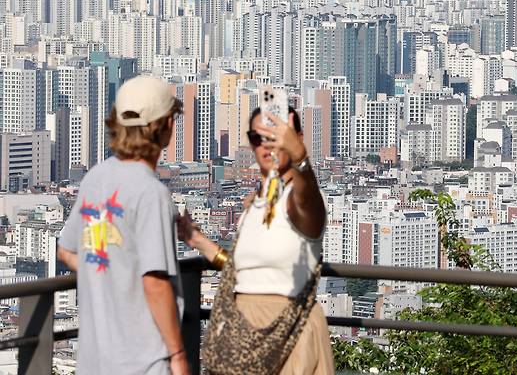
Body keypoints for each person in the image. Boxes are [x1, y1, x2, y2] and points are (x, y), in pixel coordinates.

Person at [177, 107, 334, 374]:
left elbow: (307, 197)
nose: (266, 145)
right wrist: (200, 242)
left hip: (290, 330)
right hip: (243, 332)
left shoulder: (298, 204)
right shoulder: (254, 205)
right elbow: (243, 272)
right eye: (257, 137)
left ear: (296, 138)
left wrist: (301, 158)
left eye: (276, 137)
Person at [57, 75, 190, 375]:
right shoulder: (150, 193)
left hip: (94, 361)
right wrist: (178, 353)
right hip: (142, 362)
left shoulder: (95, 178)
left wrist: (112, 272)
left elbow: (66, 252)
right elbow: (155, 283)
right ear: (166, 125)